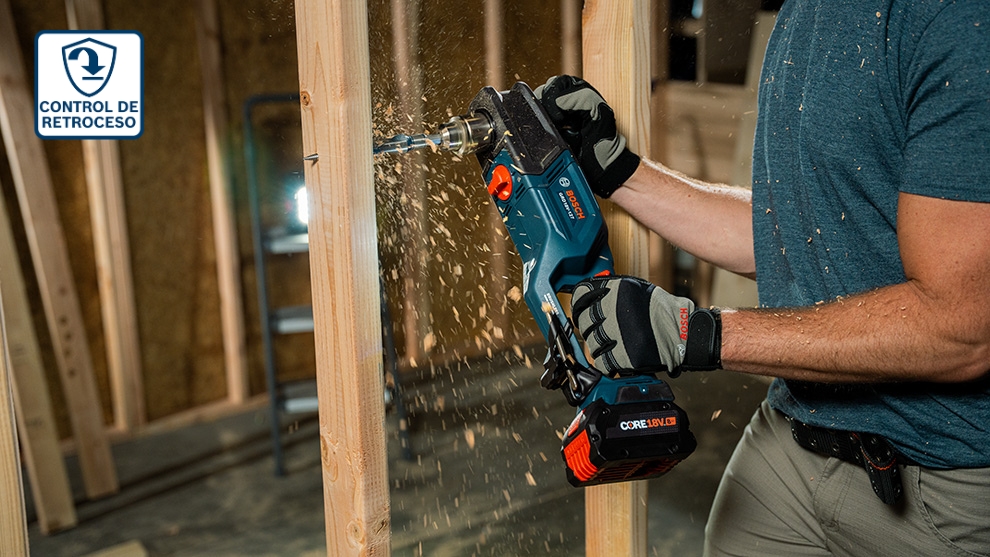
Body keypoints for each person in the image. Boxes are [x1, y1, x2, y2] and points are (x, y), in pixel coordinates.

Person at [533, 1, 990, 555]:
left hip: (942, 482)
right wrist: (622, 172)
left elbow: (962, 327)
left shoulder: (958, 23)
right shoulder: (809, 11)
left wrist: (698, 334)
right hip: (796, 439)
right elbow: (800, 231)